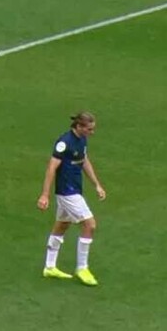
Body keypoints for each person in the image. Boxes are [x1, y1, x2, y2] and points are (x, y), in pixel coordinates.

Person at [38, 111, 107, 286]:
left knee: (62, 225)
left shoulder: (82, 140)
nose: (92, 132)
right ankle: (82, 268)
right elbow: (51, 168)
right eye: (89, 129)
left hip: (75, 189)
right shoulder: (64, 143)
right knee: (90, 225)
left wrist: (96, 184)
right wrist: (45, 194)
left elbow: (84, 161)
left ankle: (49, 266)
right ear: (79, 126)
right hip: (67, 192)